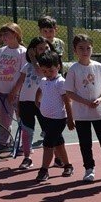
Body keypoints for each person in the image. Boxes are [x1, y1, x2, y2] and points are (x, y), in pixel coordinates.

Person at [65, 34, 101, 183]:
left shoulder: (99, 67)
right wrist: (85, 102)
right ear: (75, 50)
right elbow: (69, 92)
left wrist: (100, 99)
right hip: (81, 114)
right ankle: (89, 169)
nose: (85, 51)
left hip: (99, 113)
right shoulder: (73, 69)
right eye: (81, 48)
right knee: (85, 143)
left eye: (88, 48)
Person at [10, 37, 52, 170]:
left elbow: (40, 71)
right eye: (40, 49)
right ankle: (27, 158)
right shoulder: (27, 66)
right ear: (32, 51)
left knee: (50, 131)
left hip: (42, 102)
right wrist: (13, 95)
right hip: (25, 102)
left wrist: (33, 58)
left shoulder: (48, 66)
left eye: (46, 48)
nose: (44, 51)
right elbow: (20, 82)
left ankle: (57, 157)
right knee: (27, 131)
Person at [33, 50, 75, 182]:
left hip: (58, 119)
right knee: (59, 144)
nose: (48, 74)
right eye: (44, 71)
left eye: (50, 70)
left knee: (48, 144)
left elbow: (67, 102)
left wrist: (69, 119)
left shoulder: (60, 82)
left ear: (58, 67)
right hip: (46, 118)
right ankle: (68, 165)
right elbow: (40, 90)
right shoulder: (44, 80)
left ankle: (44, 170)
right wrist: (37, 100)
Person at [0, 23, 26, 153]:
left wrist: (14, 91)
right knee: (4, 118)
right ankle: (3, 142)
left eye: (6, 34)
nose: (3, 37)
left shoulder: (23, 52)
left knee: (21, 118)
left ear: (15, 34)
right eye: (2, 34)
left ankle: (24, 144)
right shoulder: (1, 51)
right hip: (1, 92)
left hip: (17, 93)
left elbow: (23, 75)